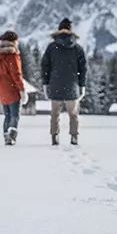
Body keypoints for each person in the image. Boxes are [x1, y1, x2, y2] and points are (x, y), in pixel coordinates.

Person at [41, 18, 87, 146]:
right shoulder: (77, 48)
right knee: (73, 114)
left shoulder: (51, 47)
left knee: (55, 114)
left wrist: (45, 84)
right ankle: (74, 136)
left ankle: (54, 136)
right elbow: (83, 69)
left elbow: (45, 67)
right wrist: (82, 85)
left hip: (55, 85)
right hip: (72, 87)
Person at [0, 30, 28, 146]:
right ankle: (11, 137)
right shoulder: (12, 56)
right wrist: (22, 90)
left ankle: (6, 136)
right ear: (13, 42)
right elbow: (16, 75)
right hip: (13, 91)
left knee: (7, 116)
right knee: (14, 116)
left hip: (2, 91)